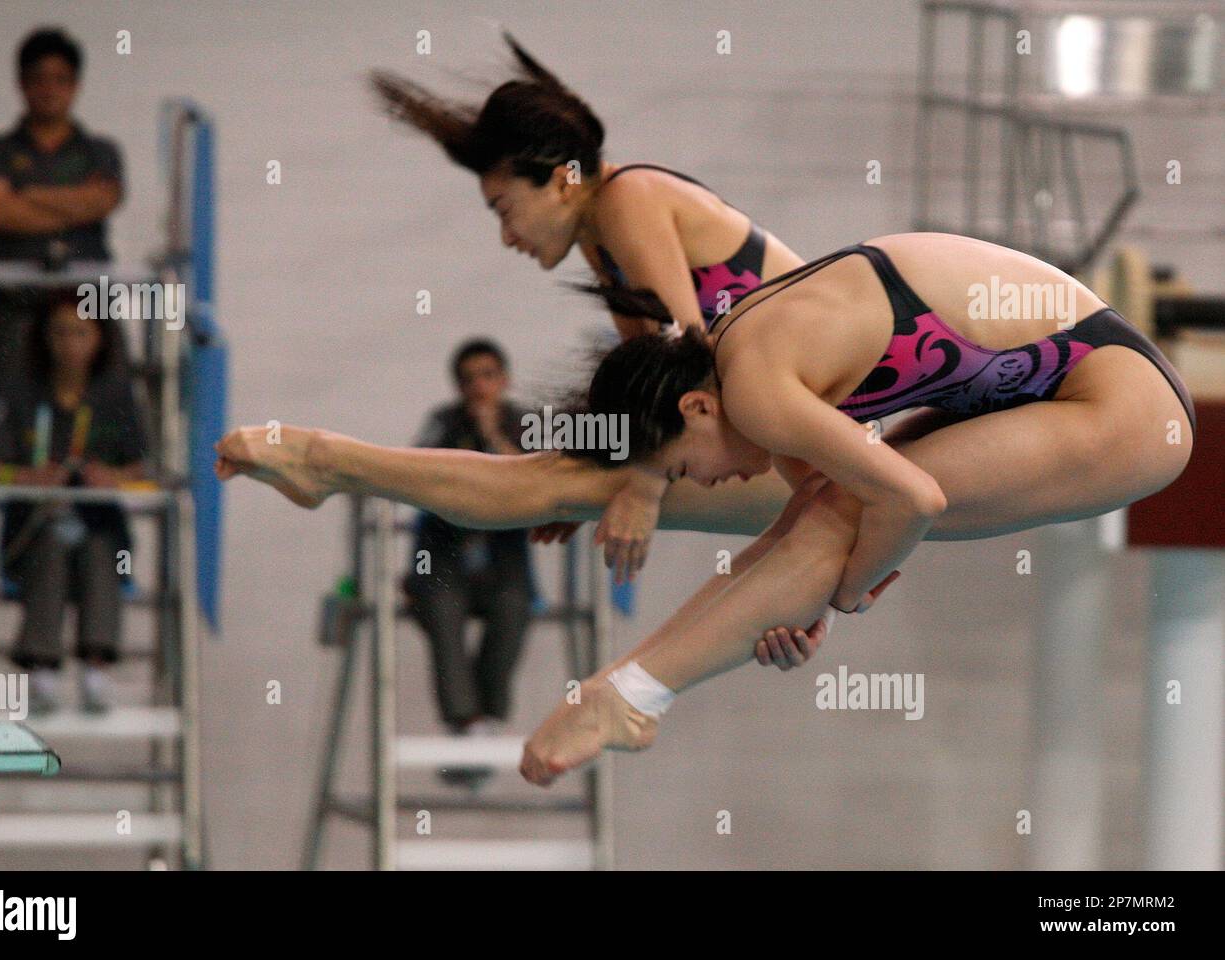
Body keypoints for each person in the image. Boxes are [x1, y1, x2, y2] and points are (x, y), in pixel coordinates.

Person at [213, 232, 1195, 783]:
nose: (712, 480)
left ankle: (626, 697)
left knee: (844, 519)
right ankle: (332, 462)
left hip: (1121, 405)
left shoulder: (757, 386)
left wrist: (835, 597)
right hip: (1002, 387)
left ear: (695, 405)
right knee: (592, 481)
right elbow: (818, 510)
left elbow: (910, 497)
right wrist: (790, 596)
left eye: (687, 459)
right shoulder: (737, 370)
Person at [373, 33, 815, 579]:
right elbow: (645, 388)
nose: (508, 237)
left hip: (830, 414)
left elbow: (687, 356)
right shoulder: (600, 234)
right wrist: (589, 479)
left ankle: (327, 463)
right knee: (561, 477)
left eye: (504, 209)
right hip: (784, 416)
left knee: (555, 483)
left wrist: (642, 486)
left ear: (562, 182)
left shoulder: (630, 200)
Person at [0, 291, 149, 715]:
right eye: (59, 333)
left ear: (100, 340)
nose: (69, 344)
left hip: (98, 525)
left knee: (99, 551)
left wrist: (113, 479)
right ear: (44, 339)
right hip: (34, 525)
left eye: (80, 333)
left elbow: (143, 468)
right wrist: (26, 477)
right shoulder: (19, 393)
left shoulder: (116, 397)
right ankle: (42, 670)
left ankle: (96, 669)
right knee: (50, 549)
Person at [0, 27, 125, 406]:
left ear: (75, 85)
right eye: (39, 79)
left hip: (90, 299)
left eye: (61, 80)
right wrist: (73, 205)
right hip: (17, 301)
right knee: (8, 394)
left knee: (111, 390)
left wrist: (31, 196)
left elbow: (103, 200)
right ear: (21, 84)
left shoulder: (101, 151)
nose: (50, 89)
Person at [404, 340, 535, 784]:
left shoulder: (524, 424)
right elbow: (420, 472)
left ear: (504, 379)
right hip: (444, 556)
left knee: (515, 608)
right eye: (470, 378)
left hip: (503, 558)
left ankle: (488, 714)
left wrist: (495, 437)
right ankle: (465, 722)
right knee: (440, 611)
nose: (480, 386)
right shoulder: (443, 422)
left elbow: (536, 480)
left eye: (488, 375)